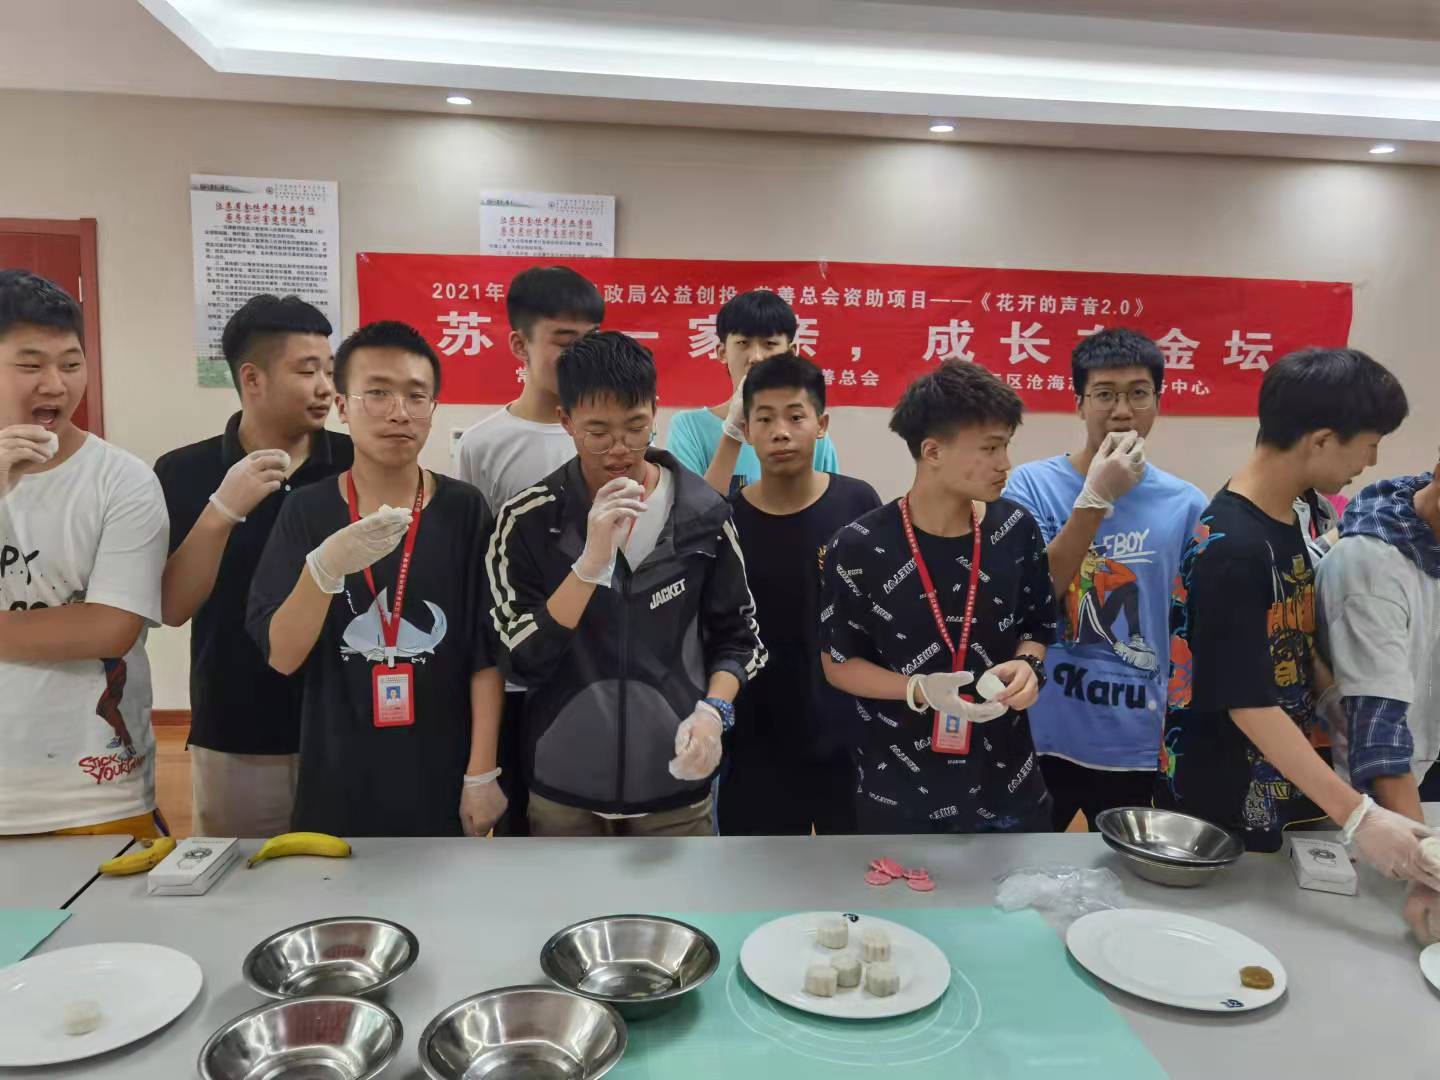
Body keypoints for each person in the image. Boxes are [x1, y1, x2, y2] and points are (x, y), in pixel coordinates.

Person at [1158, 349, 1440, 911]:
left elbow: (1285, 635)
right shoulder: (1233, 547)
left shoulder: (1286, 517)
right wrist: (1359, 817)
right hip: (1224, 801)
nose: (1372, 460)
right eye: (1370, 443)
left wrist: (1335, 699)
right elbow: (1248, 706)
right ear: (1322, 440)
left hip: (1283, 782)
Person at [486, 331, 766, 836]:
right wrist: (588, 566)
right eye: (597, 431)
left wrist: (714, 710)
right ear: (566, 421)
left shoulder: (702, 514)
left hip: (675, 790)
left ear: (655, 410)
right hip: (563, 791)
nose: (620, 449)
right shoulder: (529, 519)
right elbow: (519, 659)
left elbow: (740, 640)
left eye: (636, 427)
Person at [247, 321, 503, 837]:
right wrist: (322, 570)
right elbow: (282, 656)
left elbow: (486, 651)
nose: (399, 412)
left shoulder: (464, 509)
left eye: (416, 396)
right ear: (342, 406)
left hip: (442, 765)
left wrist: (481, 772)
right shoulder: (306, 510)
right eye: (378, 393)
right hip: (337, 770)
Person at [819, 360, 1057, 834]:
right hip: (897, 788)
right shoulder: (859, 545)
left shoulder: (1015, 529)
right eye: (990, 448)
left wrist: (1028, 666)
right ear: (932, 451)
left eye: (1005, 446)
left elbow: (1037, 626)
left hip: (1006, 781)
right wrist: (919, 689)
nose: (1005, 463)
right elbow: (839, 663)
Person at [155, 294, 352, 837]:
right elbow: (172, 608)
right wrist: (221, 511)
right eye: (307, 371)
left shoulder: (356, 463)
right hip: (237, 726)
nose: (325, 388)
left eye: (330, 370)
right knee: (242, 877)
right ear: (252, 378)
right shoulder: (184, 471)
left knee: (353, 873)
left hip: (345, 723)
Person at [1004, 329, 1205, 831]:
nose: (1122, 410)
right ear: (1079, 404)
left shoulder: (1186, 503)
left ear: (1157, 402)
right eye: (1105, 394)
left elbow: (1190, 624)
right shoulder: (1030, 485)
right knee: (1019, 862)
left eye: (1138, 393)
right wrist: (1095, 497)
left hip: (1134, 737)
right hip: (1038, 727)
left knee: (1125, 869)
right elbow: (1033, 595)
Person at [0, 270, 169, 837]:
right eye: (30, 365)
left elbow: (109, 628)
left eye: (71, 364)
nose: (55, 384)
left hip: (93, 793)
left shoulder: (123, 479)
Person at [454, 265, 604, 836]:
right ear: (520, 345)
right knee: (526, 831)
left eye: (591, 340)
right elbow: (478, 573)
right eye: (564, 342)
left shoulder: (612, 436)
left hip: (597, 669)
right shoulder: (482, 444)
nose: (580, 356)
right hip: (518, 678)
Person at [716, 353, 881, 836]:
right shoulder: (727, 520)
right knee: (757, 876)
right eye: (765, 419)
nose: (780, 432)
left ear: (821, 424)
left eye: (795, 416)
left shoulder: (859, 504)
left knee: (855, 873)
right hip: (755, 746)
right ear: (746, 430)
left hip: (848, 741)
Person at [1317, 454, 1440, 943]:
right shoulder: (1372, 565)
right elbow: (1379, 736)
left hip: (1422, 768)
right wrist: (1427, 869)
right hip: (1356, 800)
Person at [666, 289, 838, 494]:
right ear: (722, 352)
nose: (756, 357)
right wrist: (733, 432)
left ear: (791, 353)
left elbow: (829, 502)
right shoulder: (689, 427)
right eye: (743, 343)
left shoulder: (808, 429)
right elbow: (692, 510)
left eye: (770, 344)